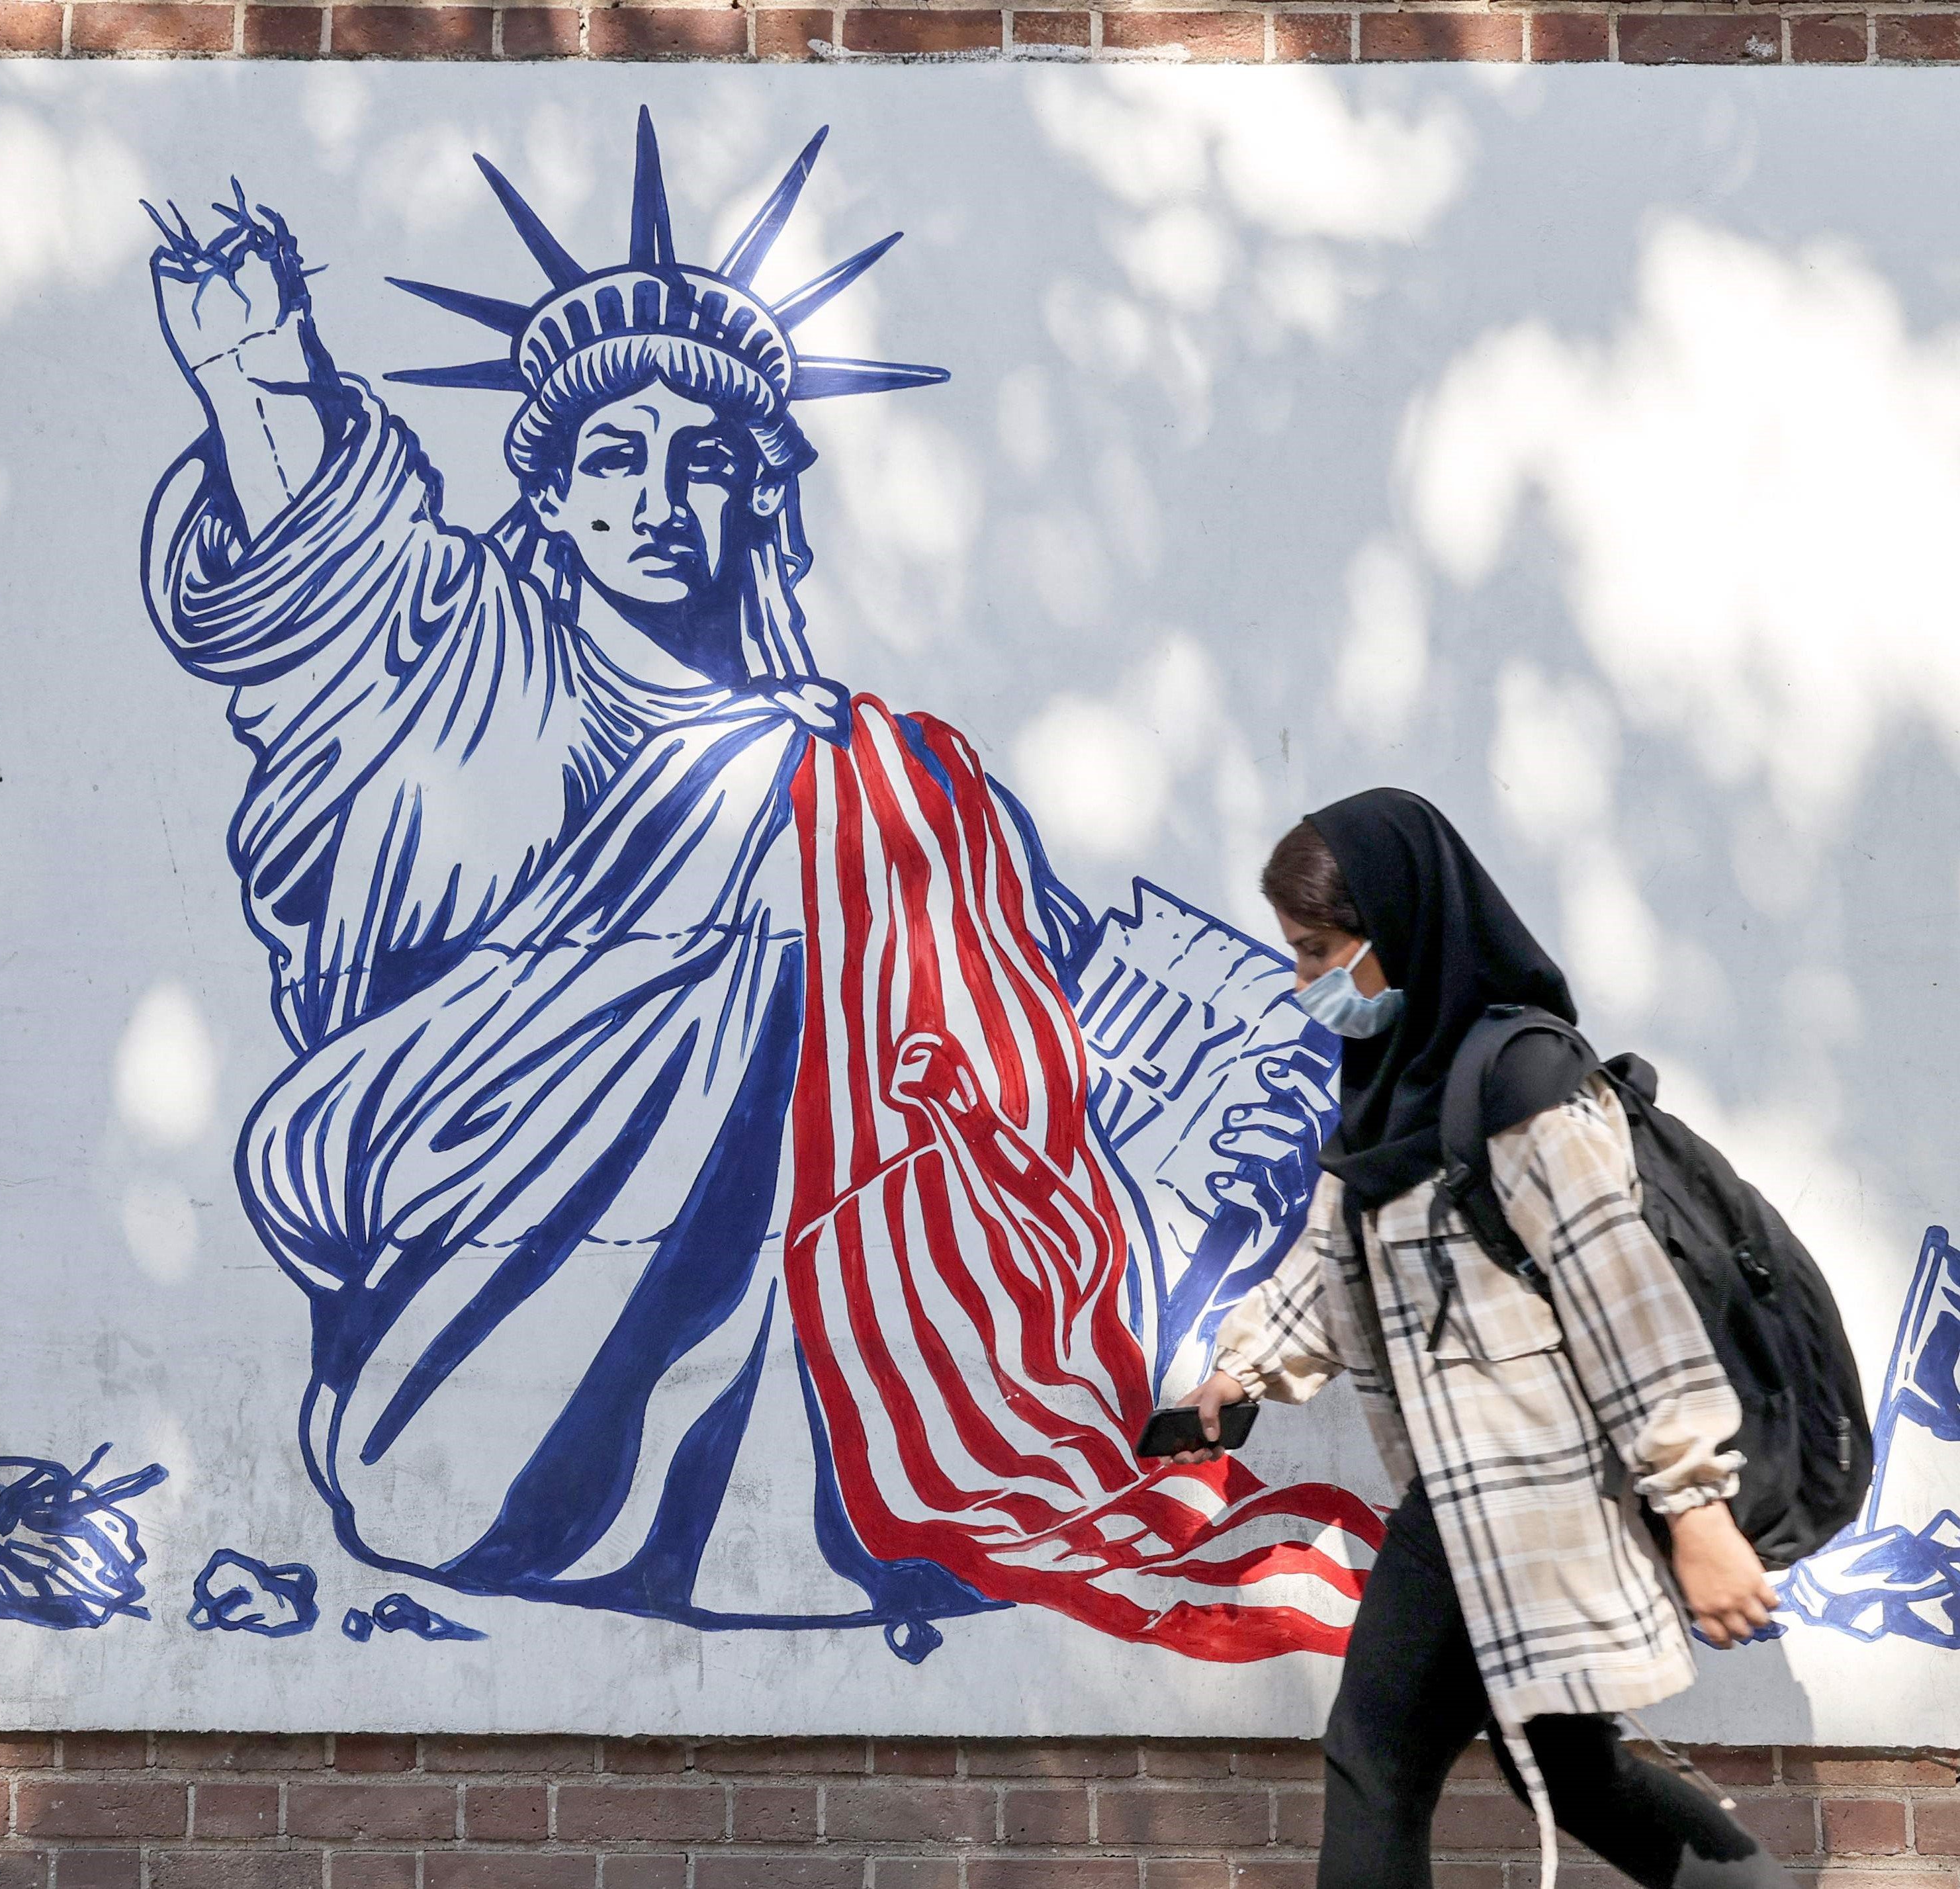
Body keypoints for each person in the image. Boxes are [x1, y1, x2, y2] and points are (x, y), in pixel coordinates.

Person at [134, 118, 1376, 1652]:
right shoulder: (474, 680)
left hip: (874, 1318)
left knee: (846, 825)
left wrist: (1263, 1073)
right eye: (612, 453)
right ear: (549, 494)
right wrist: (261, 390)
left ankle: (877, 1455)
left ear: (759, 499)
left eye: (702, 458)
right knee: (796, 843)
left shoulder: (893, 769)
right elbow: (334, 604)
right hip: (485, 1245)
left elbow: (1045, 1002)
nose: (657, 494)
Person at [1172, 789, 1790, 1889]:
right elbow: (1346, 1253)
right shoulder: (1397, 1089)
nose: (1306, 983)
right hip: (1473, 1496)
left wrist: (1698, 1508)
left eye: (1320, 952)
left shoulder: (1526, 1088)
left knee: (1375, 1759)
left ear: (1400, 926)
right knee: (1567, 1767)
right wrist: (1246, 1364)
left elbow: (1630, 1306)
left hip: (1521, 1494)